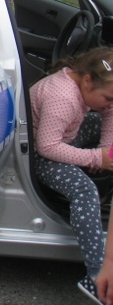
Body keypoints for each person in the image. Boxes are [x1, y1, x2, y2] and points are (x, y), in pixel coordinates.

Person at [30, 47, 113, 305]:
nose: (110, 104)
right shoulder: (62, 96)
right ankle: (96, 274)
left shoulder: (86, 85)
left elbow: (109, 113)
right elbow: (47, 147)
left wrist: (106, 150)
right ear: (87, 80)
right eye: (109, 98)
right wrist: (95, 158)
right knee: (85, 191)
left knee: (99, 121)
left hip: (65, 137)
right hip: (40, 155)